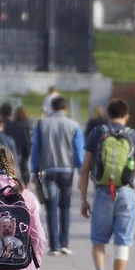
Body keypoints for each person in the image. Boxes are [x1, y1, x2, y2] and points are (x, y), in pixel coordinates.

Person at [79, 98, 135, 270]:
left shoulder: (97, 133)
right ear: (126, 116)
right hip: (126, 194)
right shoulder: (133, 136)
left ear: (108, 115)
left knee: (98, 240)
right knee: (122, 243)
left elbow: (85, 169)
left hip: (102, 193)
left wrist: (83, 199)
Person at [31, 96, 84, 257]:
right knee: (65, 206)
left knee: (51, 206)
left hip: (48, 170)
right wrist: (81, 171)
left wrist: (34, 169)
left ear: (52, 108)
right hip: (67, 170)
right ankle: (64, 243)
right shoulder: (74, 126)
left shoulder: (42, 124)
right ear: (66, 108)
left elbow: (36, 149)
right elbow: (78, 151)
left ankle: (53, 245)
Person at [5, 105, 33, 183]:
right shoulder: (28, 123)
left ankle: (16, 179)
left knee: (15, 164)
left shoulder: (12, 124)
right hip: (26, 145)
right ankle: (25, 180)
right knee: (24, 164)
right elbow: (30, 134)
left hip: (16, 145)